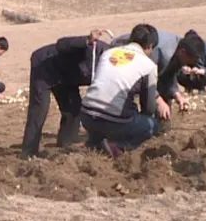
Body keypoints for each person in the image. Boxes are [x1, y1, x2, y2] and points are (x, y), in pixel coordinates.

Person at [20, 29, 110, 158]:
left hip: (67, 77)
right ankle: (28, 151)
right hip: (45, 67)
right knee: (40, 110)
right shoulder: (94, 48)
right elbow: (61, 44)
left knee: (73, 109)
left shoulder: (113, 68)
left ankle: (66, 144)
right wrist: (86, 40)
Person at [81, 24, 161, 158]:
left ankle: (94, 143)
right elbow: (149, 107)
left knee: (117, 112)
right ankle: (119, 146)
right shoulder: (149, 66)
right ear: (150, 46)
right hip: (113, 121)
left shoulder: (108, 53)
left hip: (86, 115)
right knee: (152, 125)